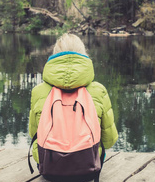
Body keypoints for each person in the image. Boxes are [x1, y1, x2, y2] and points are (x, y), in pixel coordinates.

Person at [28, 33, 118, 167]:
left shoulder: (38, 92)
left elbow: (34, 135)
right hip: (88, 165)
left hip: (49, 166)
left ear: (54, 56)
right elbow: (109, 140)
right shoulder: (99, 91)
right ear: (84, 54)